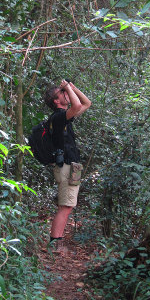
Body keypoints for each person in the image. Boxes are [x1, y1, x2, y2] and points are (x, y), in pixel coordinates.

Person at [44, 79, 91, 247]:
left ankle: (57, 241)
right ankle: (55, 243)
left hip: (74, 165)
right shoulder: (57, 117)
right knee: (65, 206)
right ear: (56, 101)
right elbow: (77, 106)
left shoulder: (65, 117)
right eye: (62, 93)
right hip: (66, 166)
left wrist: (72, 88)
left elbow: (86, 103)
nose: (65, 94)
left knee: (68, 206)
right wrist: (67, 88)